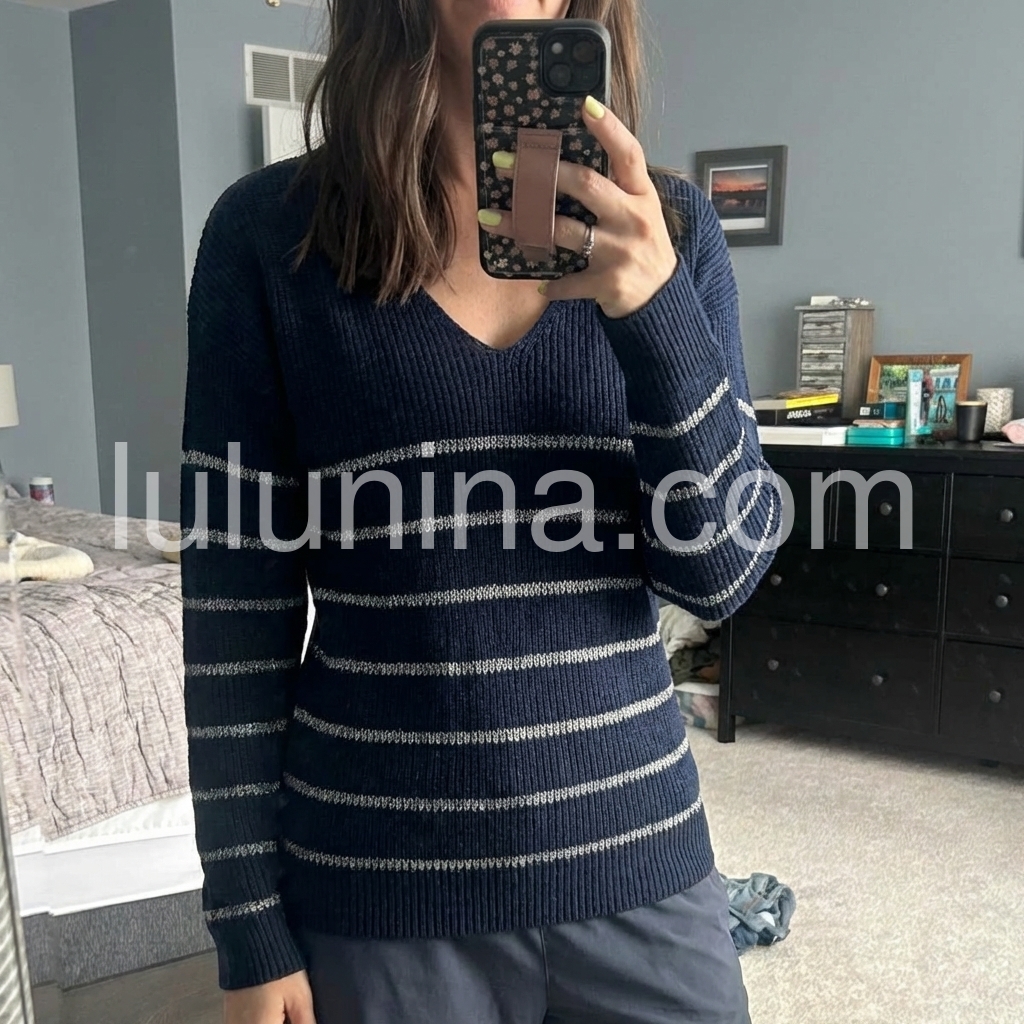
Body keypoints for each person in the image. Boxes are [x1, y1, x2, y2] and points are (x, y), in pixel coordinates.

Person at [180, 1, 779, 1022]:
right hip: (381, 888)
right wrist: (247, 922)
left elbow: (721, 573)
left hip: (637, 858)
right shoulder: (270, 235)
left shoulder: (668, 229)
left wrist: (652, 309)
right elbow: (235, 609)